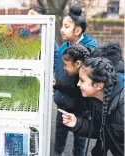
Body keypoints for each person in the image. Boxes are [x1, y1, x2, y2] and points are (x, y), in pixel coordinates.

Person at [54, 5, 98, 156]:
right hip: (63, 101)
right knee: (59, 139)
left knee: (80, 140)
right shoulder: (63, 48)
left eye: (66, 26)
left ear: (77, 30)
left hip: (81, 105)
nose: (62, 29)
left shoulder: (90, 49)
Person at [58, 57, 124, 156]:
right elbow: (103, 130)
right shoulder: (96, 100)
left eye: (82, 80)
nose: (78, 84)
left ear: (98, 85)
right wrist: (77, 123)